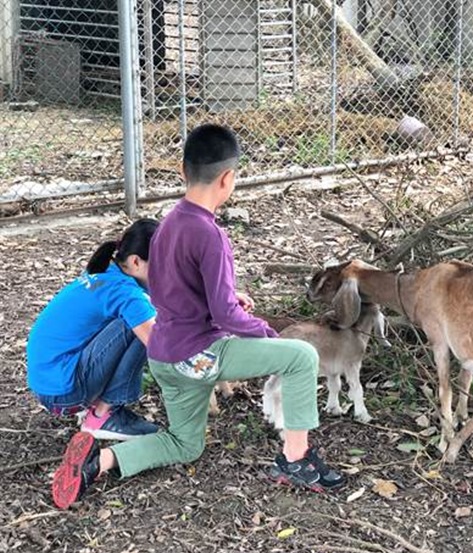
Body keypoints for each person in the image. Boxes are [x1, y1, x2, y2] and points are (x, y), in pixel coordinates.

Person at [52, 123, 345, 509]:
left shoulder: (168, 222)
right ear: (228, 179)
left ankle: (99, 461)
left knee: (185, 444)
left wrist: (220, 297)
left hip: (163, 358)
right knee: (301, 356)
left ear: (182, 170)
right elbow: (226, 314)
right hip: (196, 358)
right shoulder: (210, 234)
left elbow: (166, 284)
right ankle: (296, 460)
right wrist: (267, 333)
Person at [27, 219, 160, 441]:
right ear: (136, 261)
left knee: (144, 314)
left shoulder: (108, 269)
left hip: (50, 381)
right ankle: (103, 415)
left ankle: (100, 408)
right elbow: (160, 345)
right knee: (145, 325)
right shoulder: (125, 293)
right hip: (64, 392)